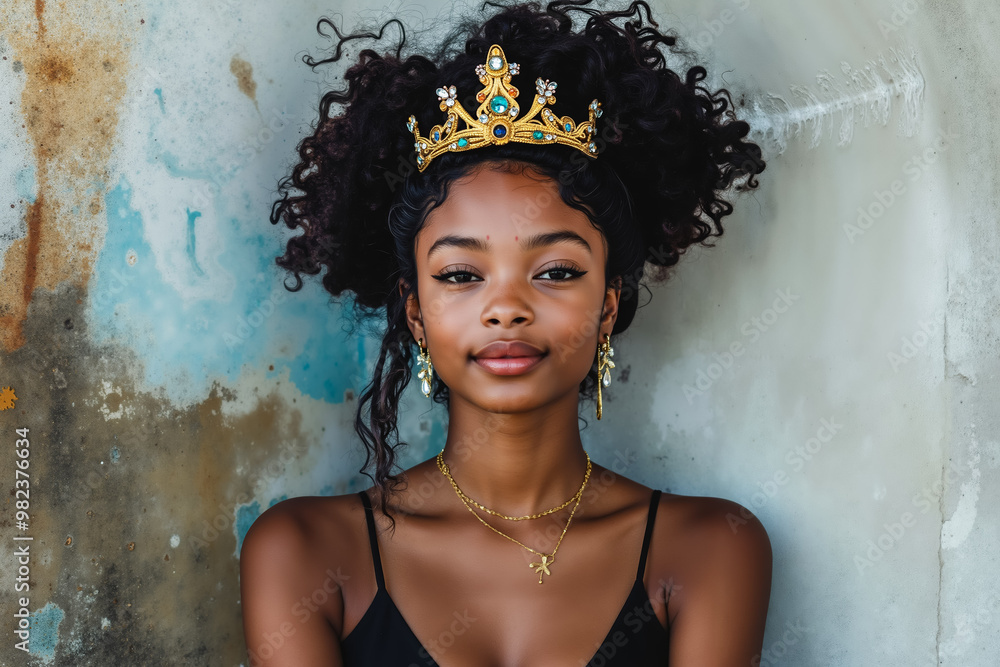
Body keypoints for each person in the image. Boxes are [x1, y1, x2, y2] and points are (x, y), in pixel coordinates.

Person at [239, 0, 771, 665]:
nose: (507, 307)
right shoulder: (307, 553)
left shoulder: (708, 547)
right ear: (415, 313)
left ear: (608, 306)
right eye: (463, 274)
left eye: (554, 270)